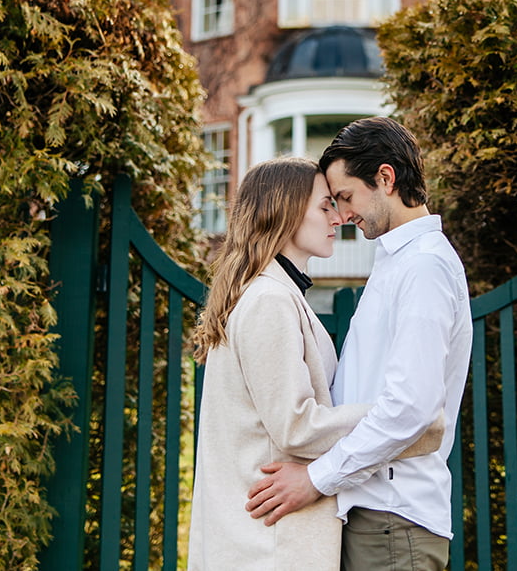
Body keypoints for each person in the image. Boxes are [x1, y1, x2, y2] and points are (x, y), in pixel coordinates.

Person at [187, 155, 440, 570]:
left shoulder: (273, 294)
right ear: (285, 213)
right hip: (269, 545)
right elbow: (296, 425)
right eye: (325, 206)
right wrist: (411, 420)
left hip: (268, 538)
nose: (338, 218)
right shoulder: (269, 300)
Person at [245, 116, 473, 571]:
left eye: (346, 197)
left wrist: (316, 478)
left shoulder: (424, 268)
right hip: (376, 514)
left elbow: (412, 408)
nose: (343, 215)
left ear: (385, 178)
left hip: (394, 518)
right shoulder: (397, 262)